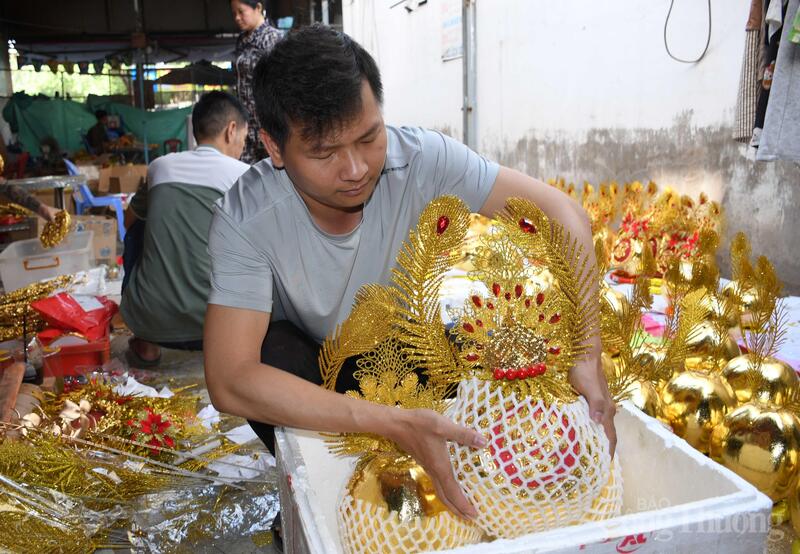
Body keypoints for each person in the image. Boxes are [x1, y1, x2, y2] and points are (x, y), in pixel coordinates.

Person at [203, 25, 616, 524]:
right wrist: (390, 422)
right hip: (308, 364)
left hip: (399, 345)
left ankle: (441, 493)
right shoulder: (247, 218)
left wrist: (586, 355)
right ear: (273, 147)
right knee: (275, 354)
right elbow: (231, 379)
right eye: (323, 153)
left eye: (368, 137)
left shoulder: (420, 158)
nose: (355, 168)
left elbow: (562, 214)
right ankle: (323, 488)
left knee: (472, 358)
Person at [121, 91, 249, 367]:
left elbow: (128, 221)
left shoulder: (160, 167)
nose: (242, 146)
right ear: (231, 130)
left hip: (150, 319)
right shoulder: (244, 176)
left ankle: (146, 345)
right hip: (217, 326)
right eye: (244, 139)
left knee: (138, 229)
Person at [231, 0, 281, 164]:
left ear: (258, 8)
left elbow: (281, 84)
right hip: (246, 125)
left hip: (268, 124)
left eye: (241, 12)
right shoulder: (241, 41)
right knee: (247, 176)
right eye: (234, 14)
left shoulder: (271, 38)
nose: (237, 18)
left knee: (275, 173)